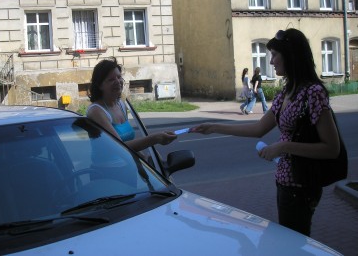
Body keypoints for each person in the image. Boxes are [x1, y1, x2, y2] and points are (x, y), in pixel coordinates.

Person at [189, 28, 340, 237]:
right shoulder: (286, 93)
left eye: (275, 55)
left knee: (292, 244)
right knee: (289, 242)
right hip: (285, 183)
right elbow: (258, 128)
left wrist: (282, 146)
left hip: (302, 186)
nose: (271, 62)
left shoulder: (313, 93)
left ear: (291, 56)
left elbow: (331, 148)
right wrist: (214, 127)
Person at [86, 57, 177, 152]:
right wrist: (155, 138)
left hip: (128, 165)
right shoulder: (96, 111)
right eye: (111, 79)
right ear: (99, 85)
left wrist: (144, 158)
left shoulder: (121, 104)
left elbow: (130, 145)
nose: (118, 82)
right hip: (108, 166)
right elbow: (119, 147)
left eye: (119, 77)